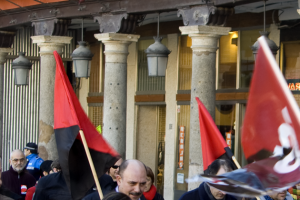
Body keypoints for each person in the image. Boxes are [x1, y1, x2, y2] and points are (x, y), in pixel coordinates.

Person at [83, 159, 147, 200]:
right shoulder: (96, 198)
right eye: (132, 183)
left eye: (142, 184)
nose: (138, 190)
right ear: (119, 180)